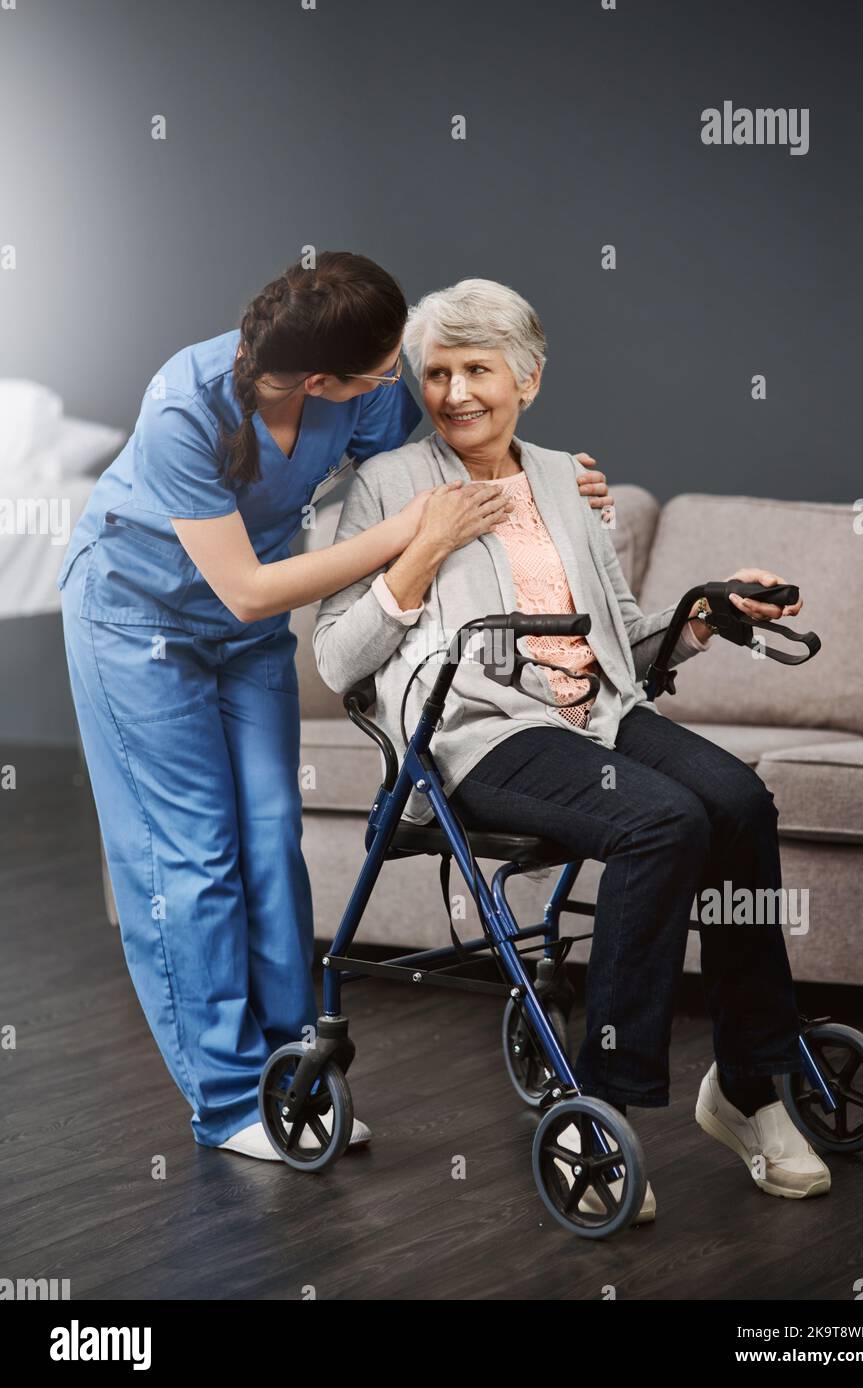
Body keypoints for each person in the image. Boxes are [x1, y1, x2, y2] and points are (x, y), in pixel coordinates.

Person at [57, 254, 615, 1161]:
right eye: (386, 369)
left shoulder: (360, 389)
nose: (400, 378)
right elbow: (245, 588)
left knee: (274, 838)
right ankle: (231, 1101)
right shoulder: (183, 408)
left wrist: (550, 484)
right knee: (192, 855)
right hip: (138, 623)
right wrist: (409, 537)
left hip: (244, 641)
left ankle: (294, 1073)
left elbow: (439, 458)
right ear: (319, 379)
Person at [313, 277, 831, 1220]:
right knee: (662, 823)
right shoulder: (386, 485)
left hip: (595, 714)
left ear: (529, 379)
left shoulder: (567, 479)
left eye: (480, 370)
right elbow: (339, 657)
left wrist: (707, 613)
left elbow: (622, 641)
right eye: (437, 373)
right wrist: (423, 550)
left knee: (742, 802)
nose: (457, 393)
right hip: (476, 731)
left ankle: (750, 1090)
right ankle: (603, 1099)